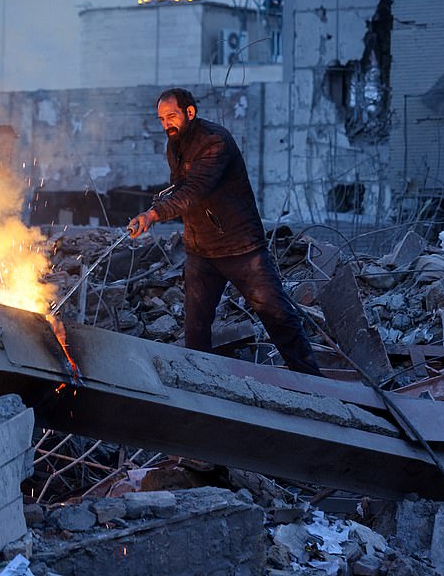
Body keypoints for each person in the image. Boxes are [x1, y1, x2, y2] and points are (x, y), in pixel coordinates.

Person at [128, 88, 321, 376]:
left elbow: (194, 191)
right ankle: (200, 384)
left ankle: (313, 384)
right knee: (195, 327)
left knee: (277, 316)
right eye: (161, 118)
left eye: (171, 116)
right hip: (201, 250)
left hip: (241, 248)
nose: (166, 124)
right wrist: (160, 204)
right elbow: (182, 187)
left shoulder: (214, 142)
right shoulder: (175, 145)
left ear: (189, 113)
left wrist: (154, 214)